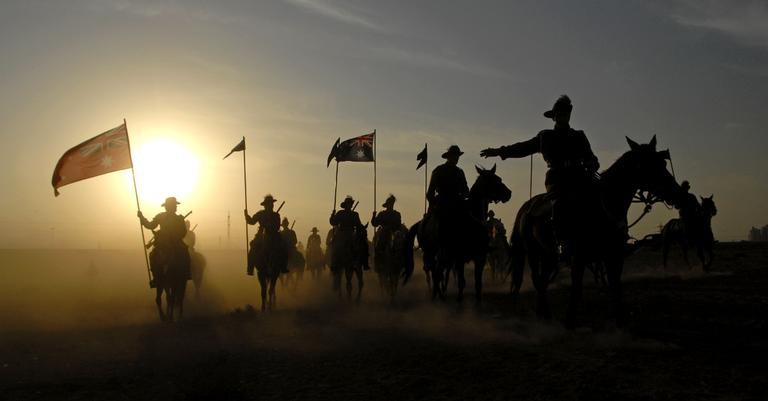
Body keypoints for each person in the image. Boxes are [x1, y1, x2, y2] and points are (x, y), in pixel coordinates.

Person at [481, 95, 599, 255]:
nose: (564, 116)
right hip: (558, 180)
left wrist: (592, 165)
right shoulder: (546, 137)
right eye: (560, 113)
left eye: (566, 112)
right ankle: (561, 242)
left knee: (602, 197)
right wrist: (499, 151)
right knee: (560, 203)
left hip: (581, 178)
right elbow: (522, 148)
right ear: (554, 116)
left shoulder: (579, 136)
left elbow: (591, 158)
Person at [138, 197, 191, 280]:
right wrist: (142, 218)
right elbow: (150, 225)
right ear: (170, 206)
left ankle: (186, 273)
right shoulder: (167, 217)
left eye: (175, 205)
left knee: (185, 252)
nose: (176, 207)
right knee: (153, 255)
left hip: (170, 243)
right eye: (174, 205)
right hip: (167, 243)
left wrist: (142, 218)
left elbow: (183, 233)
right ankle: (158, 276)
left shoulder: (177, 218)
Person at [245, 195, 283, 275]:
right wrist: (246, 216)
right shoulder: (260, 214)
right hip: (261, 236)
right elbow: (252, 221)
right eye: (270, 204)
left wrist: (270, 226)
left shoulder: (276, 215)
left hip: (273, 236)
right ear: (266, 205)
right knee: (253, 247)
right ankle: (250, 268)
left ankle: (283, 266)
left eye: (272, 204)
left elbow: (277, 227)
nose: (272, 205)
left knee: (283, 247)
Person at [330, 196, 367, 270]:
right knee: (335, 246)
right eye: (348, 204)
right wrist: (332, 215)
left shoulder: (355, 214)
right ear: (345, 205)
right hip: (341, 233)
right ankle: (334, 263)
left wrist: (363, 227)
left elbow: (358, 224)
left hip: (351, 234)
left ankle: (362, 263)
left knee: (361, 246)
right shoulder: (340, 213)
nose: (350, 205)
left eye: (350, 204)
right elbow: (333, 222)